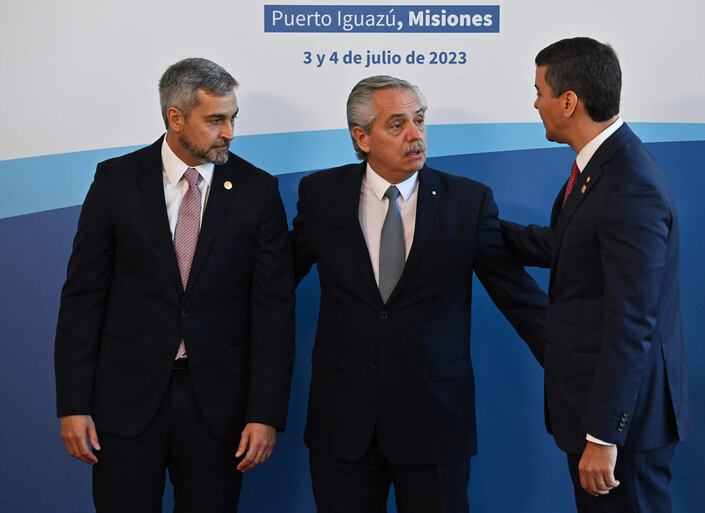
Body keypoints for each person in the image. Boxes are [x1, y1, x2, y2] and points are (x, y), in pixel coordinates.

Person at [290, 75, 548, 513]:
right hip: (343, 425)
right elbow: (277, 281)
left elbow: (519, 299)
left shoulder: (466, 202)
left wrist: (585, 375)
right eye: (397, 124)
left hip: (436, 423)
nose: (415, 135)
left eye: (420, 120)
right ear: (361, 136)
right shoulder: (321, 195)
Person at [54, 57, 295, 513]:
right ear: (176, 118)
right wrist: (73, 403)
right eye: (215, 120)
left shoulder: (256, 190)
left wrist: (265, 415)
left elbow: (272, 312)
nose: (229, 133)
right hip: (124, 405)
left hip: (217, 409)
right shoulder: (115, 181)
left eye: (232, 119)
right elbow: (83, 299)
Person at [502, 37, 693, 512]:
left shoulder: (629, 184)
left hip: (623, 430)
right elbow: (571, 248)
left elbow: (633, 320)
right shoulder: (601, 169)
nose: (535, 103)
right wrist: (482, 229)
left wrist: (605, 434)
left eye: (540, 91)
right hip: (601, 415)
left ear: (569, 102)